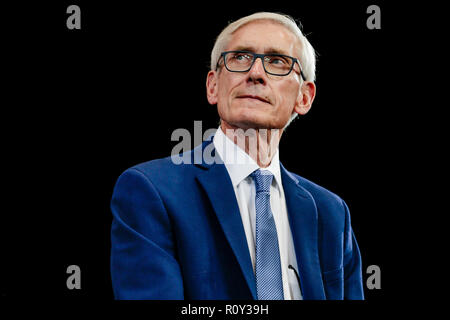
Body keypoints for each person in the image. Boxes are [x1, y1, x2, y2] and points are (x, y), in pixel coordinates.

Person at [110, 12, 364, 300]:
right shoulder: (151, 191)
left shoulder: (331, 213)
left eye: (277, 61)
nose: (255, 73)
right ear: (213, 86)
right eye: (240, 57)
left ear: (304, 98)